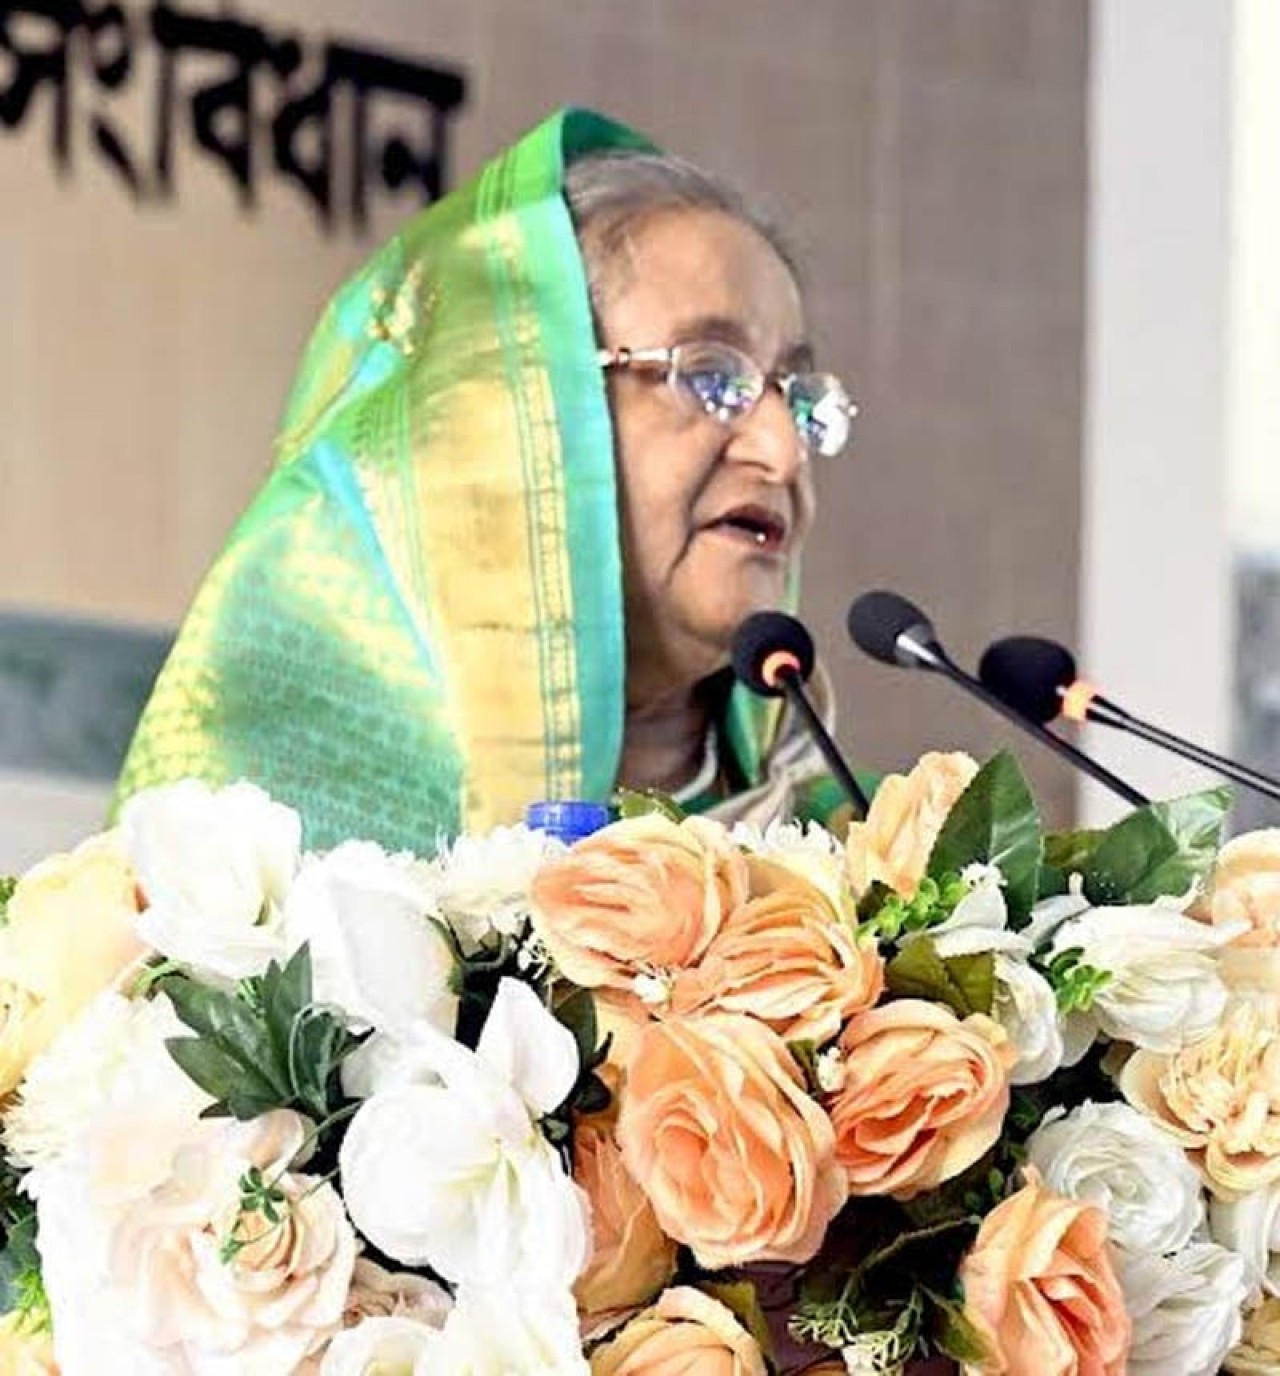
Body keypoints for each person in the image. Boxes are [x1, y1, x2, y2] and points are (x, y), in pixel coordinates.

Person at [113, 108, 859, 853]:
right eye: (710, 376)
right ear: (511, 420)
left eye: (798, 397)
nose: (783, 451)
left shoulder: (855, 852)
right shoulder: (255, 841)